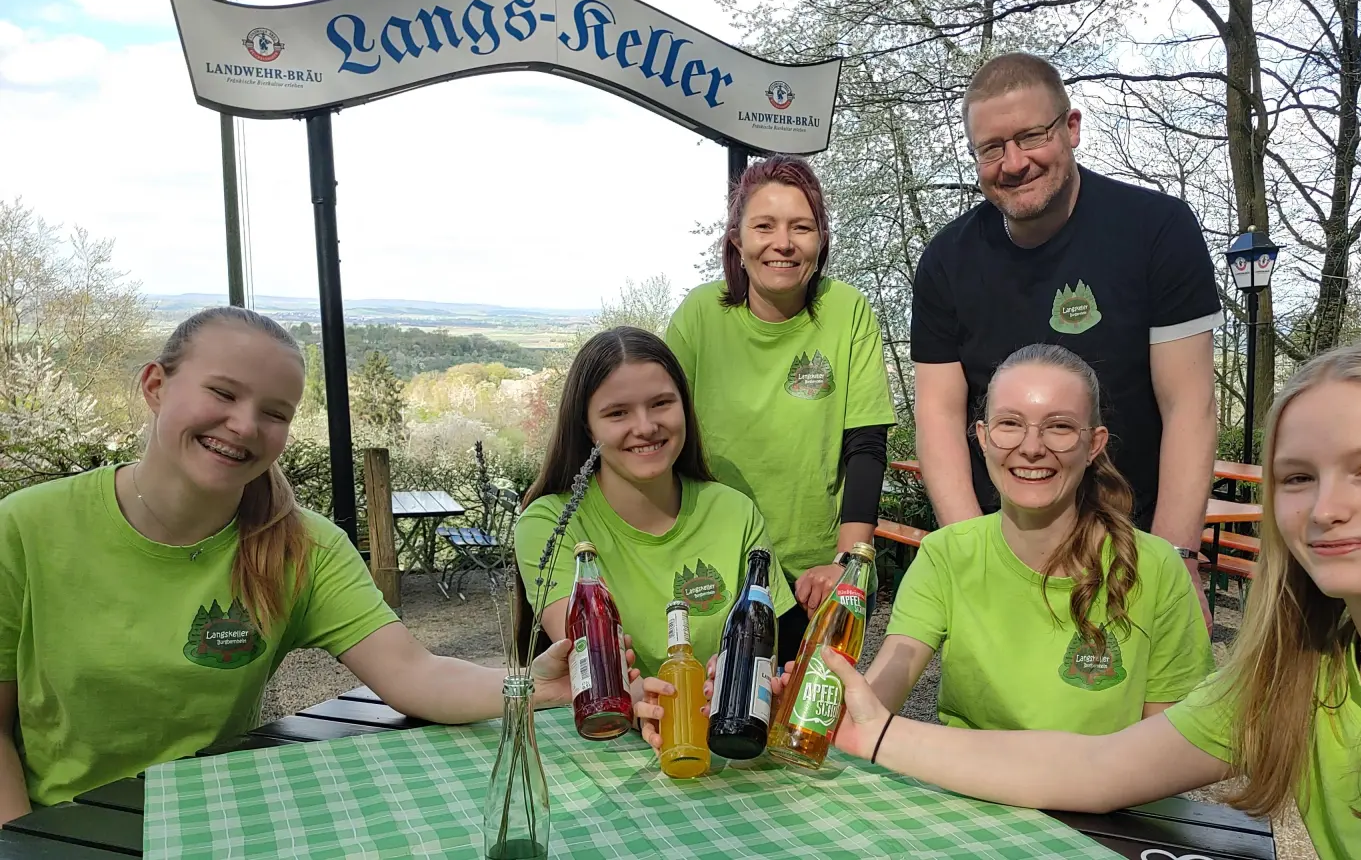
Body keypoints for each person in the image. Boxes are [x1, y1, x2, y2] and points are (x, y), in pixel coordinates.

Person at [790, 342, 1361, 859]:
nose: (1328, 509)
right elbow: (1100, 768)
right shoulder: (1299, 659)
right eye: (1298, 478)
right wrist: (874, 730)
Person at [0, 307, 577, 822]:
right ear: (155, 385)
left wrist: (532, 686)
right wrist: (20, 842)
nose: (245, 425)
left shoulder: (304, 547)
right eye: (222, 393)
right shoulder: (26, 527)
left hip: (220, 820)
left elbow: (413, 674)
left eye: (274, 413)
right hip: (66, 829)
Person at [652, 344, 1213, 748]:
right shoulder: (947, 555)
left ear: (1094, 445)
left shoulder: (1156, 569)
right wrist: (801, 706)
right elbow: (883, 688)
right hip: (975, 806)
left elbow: (1172, 745)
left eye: (1060, 427)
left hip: (1105, 820)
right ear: (983, 438)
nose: (1032, 447)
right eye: (1010, 424)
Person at [911, 51, 1220, 617]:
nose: (1013, 163)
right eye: (991, 148)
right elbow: (937, 415)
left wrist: (1176, 559)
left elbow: (1189, 404)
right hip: (1003, 550)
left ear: (1071, 128)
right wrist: (971, 558)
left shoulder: (1157, 230)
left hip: (1132, 547)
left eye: (1032, 136)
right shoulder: (946, 262)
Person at [665, 155, 895, 615]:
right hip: (720, 564)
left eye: (801, 228)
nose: (783, 244)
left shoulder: (848, 310)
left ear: (821, 239)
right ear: (737, 240)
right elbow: (664, 434)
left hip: (820, 573)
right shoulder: (699, 314)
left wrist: (846, 564)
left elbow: (866, 445)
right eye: (764, 226)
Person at [516, 326, 806, 684]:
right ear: (588, 428)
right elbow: (597, 670)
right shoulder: (550, 524)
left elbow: (768, 653)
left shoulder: (737, 512)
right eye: (617, 413)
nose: (646, 427)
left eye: (661, 404)